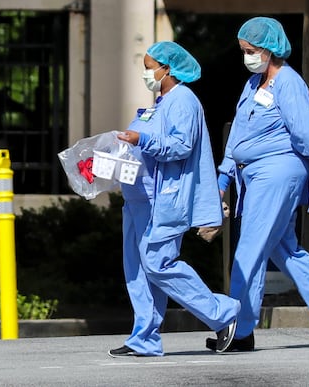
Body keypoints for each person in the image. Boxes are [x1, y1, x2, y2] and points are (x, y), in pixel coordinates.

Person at [205, 17, 309, 351]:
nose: (246, 56)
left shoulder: (288, 82)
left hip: (275, 174)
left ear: (269, 49)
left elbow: (307, 134)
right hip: (257, 175)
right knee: (285, 249)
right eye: (243, 50)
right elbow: (238, 137)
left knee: (250, 249)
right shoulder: (253, 85)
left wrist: (294, 163)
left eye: (250, 50)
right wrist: (223, 176)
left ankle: (239, 330)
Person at [108, 41, 240, 357]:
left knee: (158, 262)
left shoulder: (183, 101)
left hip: (163, 199)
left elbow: (181, 146)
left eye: (150, 65)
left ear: (168, 68)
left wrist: (143, 138)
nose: (146, 72)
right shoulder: (159, 102)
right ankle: (144, 338)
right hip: (138, 198)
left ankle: (221, 313)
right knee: (139, 270)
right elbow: (143, 147)